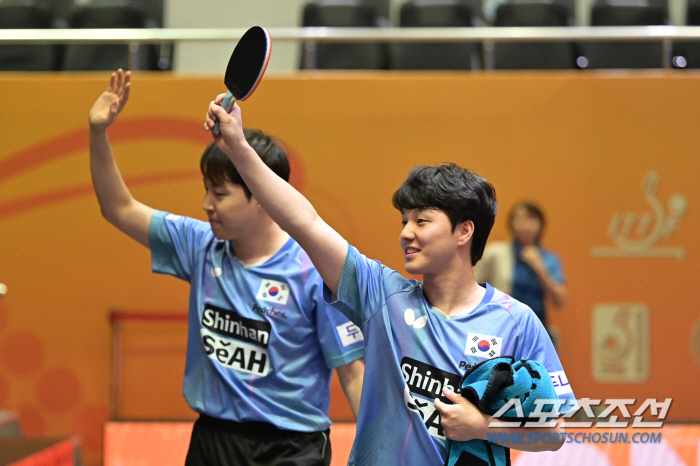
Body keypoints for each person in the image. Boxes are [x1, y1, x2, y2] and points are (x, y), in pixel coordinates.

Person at [204, 97, 576, 465]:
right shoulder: (381, 295)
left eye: (422, 221)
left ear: (464, 231)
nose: (406, 233)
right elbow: (305, 222)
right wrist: (237, 147)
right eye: (404, 221)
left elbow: (556, 432)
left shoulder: (517, 321)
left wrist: (482, 426)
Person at [89, 70, 365, 466]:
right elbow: (118, 208)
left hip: (292, 448)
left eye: (219, 193)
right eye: (206, 189)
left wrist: (381, 448)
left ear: (262, 196)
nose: (206, 203)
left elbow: (353, 373)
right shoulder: (202, 244)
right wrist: (98, 132)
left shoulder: (314, 272)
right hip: (213, 440)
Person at [475, 201, 566, 342]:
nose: (525, 225)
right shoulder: (496, 253)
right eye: (520, 219)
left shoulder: (549, 258)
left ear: (541, 224)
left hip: (536, 328)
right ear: (511, 224)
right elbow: (471, 283)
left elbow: (560, 300)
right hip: (501, 328)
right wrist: (494, 297)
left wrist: (539, 268)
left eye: (531, 219)